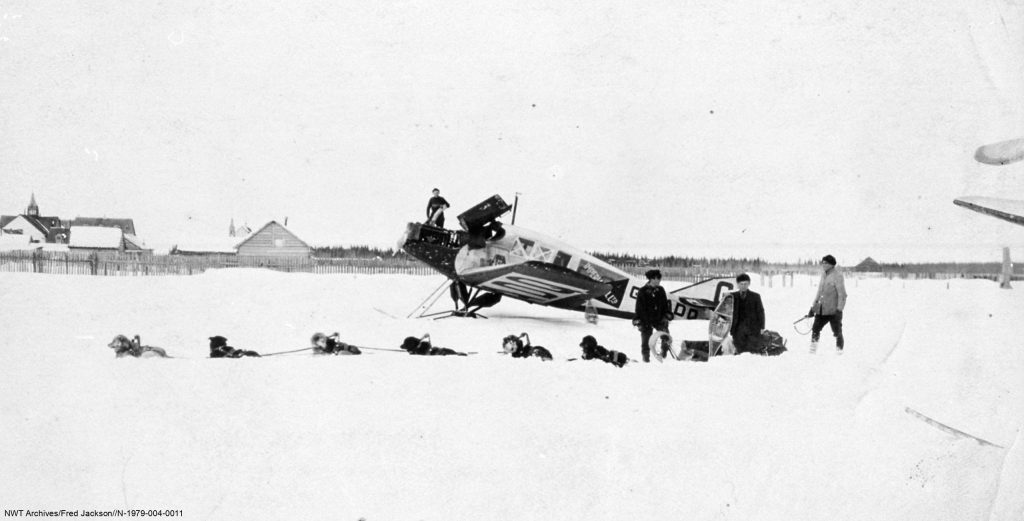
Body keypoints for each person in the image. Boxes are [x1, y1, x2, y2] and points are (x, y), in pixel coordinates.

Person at [807, 254, 847, 354]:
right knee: (815, 329)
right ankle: (812, 351)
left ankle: (839, 352)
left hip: (834, 311)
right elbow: (819, 292)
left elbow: (842, 295)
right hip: (821, 310)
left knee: (837, 332)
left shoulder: (837, 275)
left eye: (825, 263)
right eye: (822, 262)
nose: (823, 264)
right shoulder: (823, 274)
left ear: (831, 264)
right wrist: (813, 308)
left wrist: (839, 310)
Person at [633, 269, 672, 362]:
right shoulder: (642, 291)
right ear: (652, 279)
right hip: (646, 320)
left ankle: (663, 354)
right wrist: (640, 320)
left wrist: (667, 315)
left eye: (660, 278)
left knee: (666, 337)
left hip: (659, 319)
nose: (659, 280)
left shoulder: (661, 290)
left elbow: (665, 305)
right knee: (646, 341)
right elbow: (639, 308)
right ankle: (646, 359)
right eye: (658, 278)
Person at [729, 273, 766, 354]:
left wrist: (762, 327)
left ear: (749, 283)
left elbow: (760, 312)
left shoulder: (755, 296)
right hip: (737, 329)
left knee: (752, 351)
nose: (743, 286)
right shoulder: (732, 296)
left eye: (745, 283)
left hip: (752, 329)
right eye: (741, 284)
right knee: (739, 351)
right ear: (737, 284)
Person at [400, 335, 467, 356]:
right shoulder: (415, 346)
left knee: (443, 350)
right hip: (432, 351)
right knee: (443, 351)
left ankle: (456, 354)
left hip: (430, 350)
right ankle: (456, 354)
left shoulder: (413, 346)